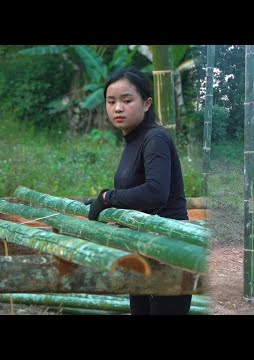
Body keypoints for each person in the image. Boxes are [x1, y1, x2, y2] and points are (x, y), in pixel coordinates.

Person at [86, 66, 191, 315]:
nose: (118, 108)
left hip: (168, 250)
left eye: (127, 100)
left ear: (146, 103)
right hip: (143, 247)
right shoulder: (133, 140)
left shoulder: (154, 139)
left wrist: (108, 198)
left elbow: (155, 193)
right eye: (111, 101)